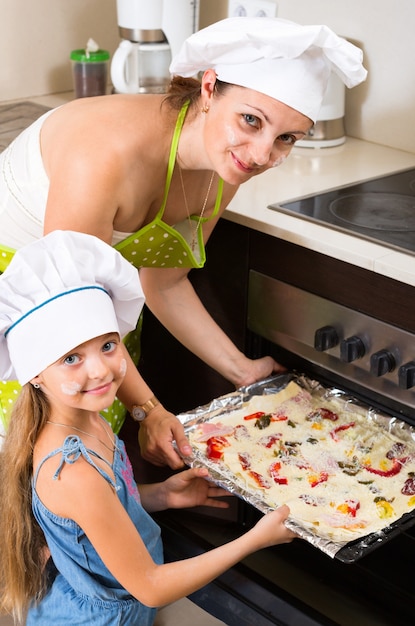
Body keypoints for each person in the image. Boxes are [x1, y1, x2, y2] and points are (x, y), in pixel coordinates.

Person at [0, 17, 367, 470]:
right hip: (31, 312)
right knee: (37, 473)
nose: (261, 155)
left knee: (93, 470)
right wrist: (148, 409)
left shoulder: (225, 164)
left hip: (94, 323)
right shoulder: (104, 155)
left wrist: (241, 370)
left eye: (286, 138)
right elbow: (72, 319)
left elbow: (164, 283)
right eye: (250, 120)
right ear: (209, 88)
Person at [0, 230, 296, 625]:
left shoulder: (88, 419)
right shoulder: (71, 469)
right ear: (35, 374)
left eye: (108, 345)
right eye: (72, 357)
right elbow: (150, 585)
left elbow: (92, 517)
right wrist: (254, 540)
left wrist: (159, 497)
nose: (100, 369)